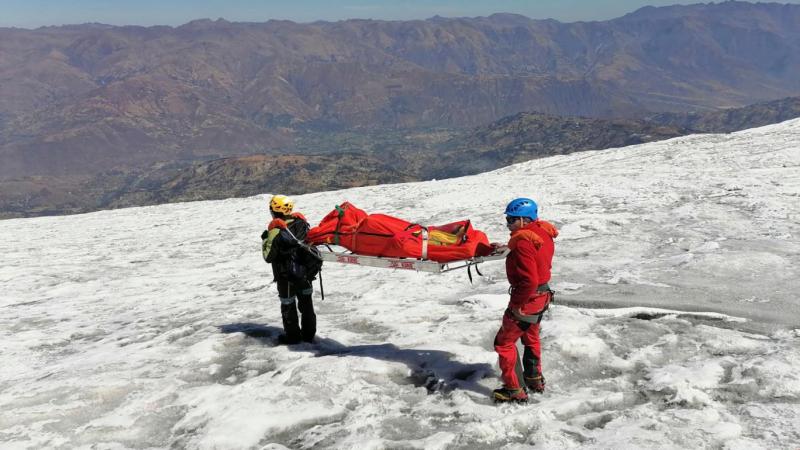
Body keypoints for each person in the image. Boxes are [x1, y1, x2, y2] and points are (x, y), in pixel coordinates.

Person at [493, 197, 559, 403]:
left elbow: (529, 281)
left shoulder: (523, 242)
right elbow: (535, 255)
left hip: (528, 300)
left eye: (511, 220)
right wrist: (508, 247)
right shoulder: (542, 232)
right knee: (531, 337)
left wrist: (516, 305)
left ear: (524, 219)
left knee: (504, 343)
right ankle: (534, 378)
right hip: (542, 297)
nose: (508, 224)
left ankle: (514, 389)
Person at [261, 194, 317, 344]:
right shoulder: (302, 223)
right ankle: (309, 335)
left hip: (285, 276)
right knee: (307, 304)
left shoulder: (275, 230)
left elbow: (268, 256)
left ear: (274, 210)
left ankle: (293, 337)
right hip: (305, 273)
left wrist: (265, 238)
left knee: (288, 305)